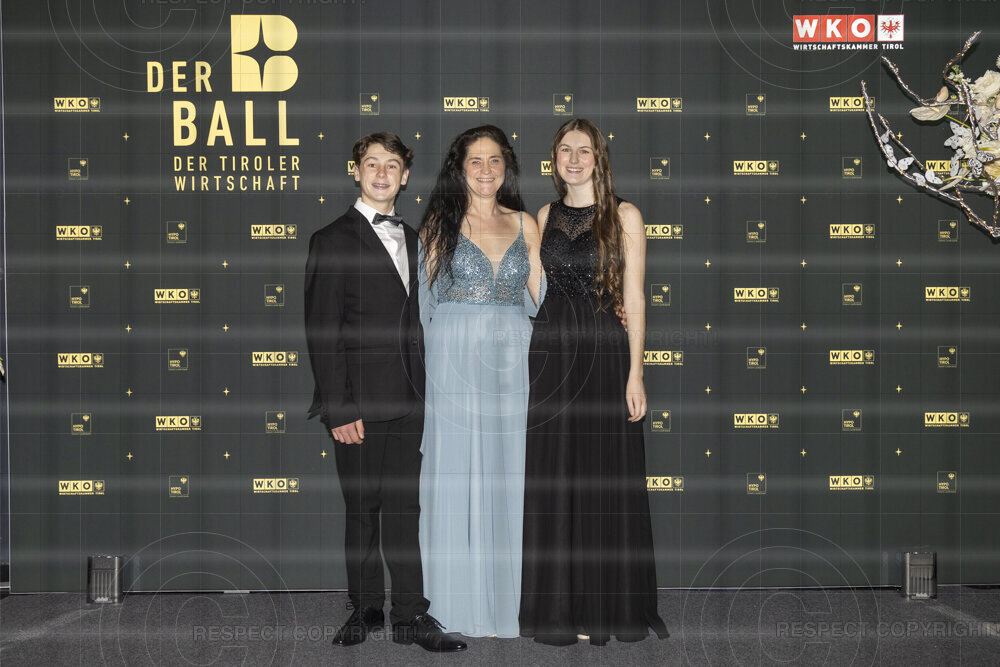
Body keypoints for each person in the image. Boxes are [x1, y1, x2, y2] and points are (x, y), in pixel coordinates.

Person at [304, 131, 466, 652]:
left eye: (391, 165)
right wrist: (339, 408)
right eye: (371, 164)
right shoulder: (330, 240)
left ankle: (411, 615)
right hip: (358, 405)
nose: (381, 173)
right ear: (356, 171)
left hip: (411, 402)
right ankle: (366, 606)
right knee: (362, 511)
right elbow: (323, 331)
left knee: (404, 512)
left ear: (405, 176)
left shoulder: (417, 239)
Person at [519, 118, 669, 645]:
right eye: (566, 150)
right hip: (552, 353)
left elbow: (635, 297)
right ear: (554, 159)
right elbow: (536, 287)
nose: (575, 159)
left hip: (604, 353)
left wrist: (636, 373)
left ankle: (605, 606)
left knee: (601, 477)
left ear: (599, 158)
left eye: (584, 150)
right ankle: (563, 608)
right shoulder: (543, 216)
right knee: (558, 475)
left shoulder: (625, 215)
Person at [417, 125, 544, 638]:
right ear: (459, 167)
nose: (486, 170)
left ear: (506, 167)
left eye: (495, 160)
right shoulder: (439, 224)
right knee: (456, 472)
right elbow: (421, 306)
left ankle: (507, 602)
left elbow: (545, 298)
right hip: (453, 360)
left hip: (513, 360)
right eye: (476, 160)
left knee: (508, 471)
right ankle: (452, 601)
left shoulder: (526, 223)